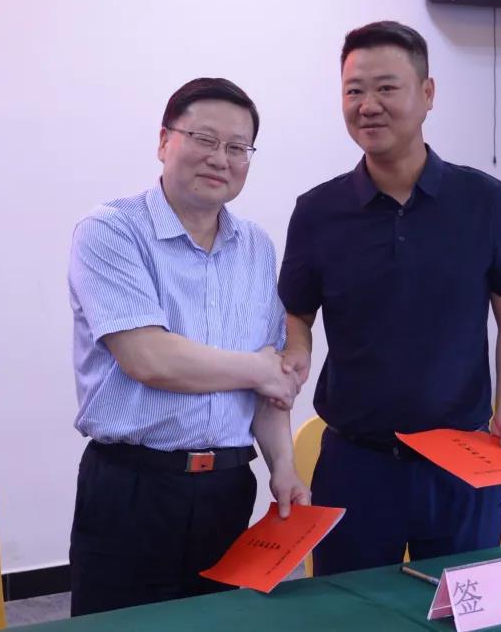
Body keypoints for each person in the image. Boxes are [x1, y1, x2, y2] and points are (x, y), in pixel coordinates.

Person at [277, 21, 501, 575]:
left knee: (466, 605)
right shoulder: (317, 211)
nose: (367, 105)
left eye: (386, 88)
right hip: (356, 463)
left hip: (462, 460)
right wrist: (297, 348)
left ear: (427, 93)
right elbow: (297, 309)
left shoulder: (482, 199)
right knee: (349, 610)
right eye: (354, 90)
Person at [67, 77, 310, 615]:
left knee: (220, 623)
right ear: (164, 141)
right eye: (204, 138)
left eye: (237, 147)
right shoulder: (111, 231)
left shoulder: (255, 247)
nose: (220, 158)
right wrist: (258, 369)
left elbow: (268, 383)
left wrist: (283, 467)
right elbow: (148, 358)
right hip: (133, 488)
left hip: (228, 487)